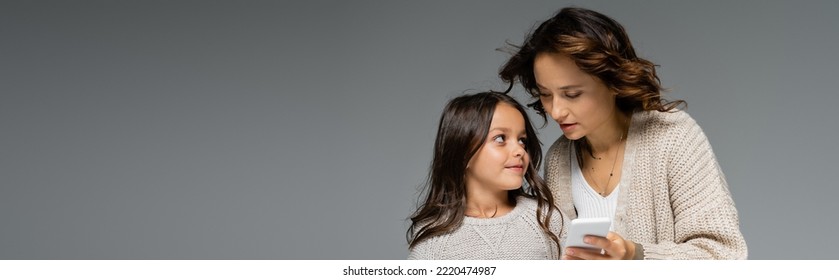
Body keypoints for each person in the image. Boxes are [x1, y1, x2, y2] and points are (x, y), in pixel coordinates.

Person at [498, 7, 747, 260]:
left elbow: (725, 254)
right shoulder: (559, 158)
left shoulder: (673, 137)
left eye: (572, 94)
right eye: (545, 94)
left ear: (613, 82)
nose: (557, 111)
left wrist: (634, 255)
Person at [407, 91, 565, 259]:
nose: (519, 150)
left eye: (522, 140)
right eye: (500, 138)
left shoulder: (546, 219)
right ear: (462, 153)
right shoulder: (434, 242)